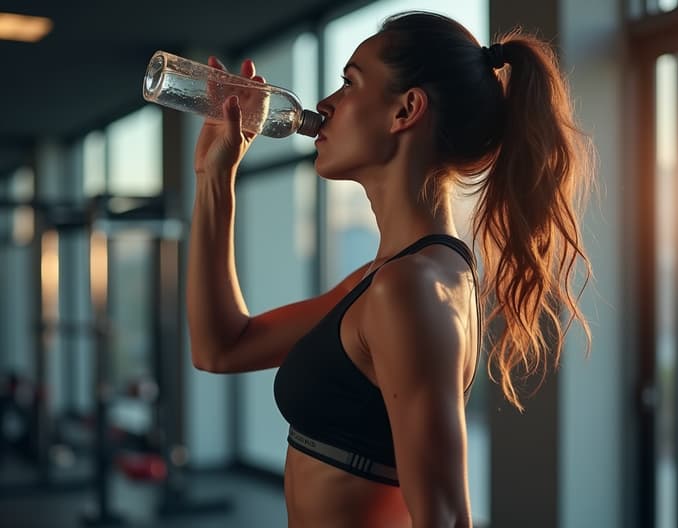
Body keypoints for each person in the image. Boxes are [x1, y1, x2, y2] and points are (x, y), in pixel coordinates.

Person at [186, 10, 593, 528]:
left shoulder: (411, 287)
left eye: (348, 83)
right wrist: (213, 178)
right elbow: (221, 348)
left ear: (406, 109)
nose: (325, 106)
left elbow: (443, 517)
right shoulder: (386, 278)